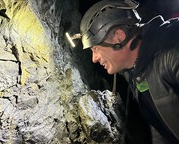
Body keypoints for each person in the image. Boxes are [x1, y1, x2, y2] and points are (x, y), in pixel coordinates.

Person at [76, 0, 179, 143]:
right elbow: (160, 127)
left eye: (96, 49)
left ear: (119, 37)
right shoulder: (136, 71)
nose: (94, 58)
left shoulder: (172, 51)